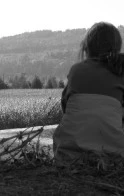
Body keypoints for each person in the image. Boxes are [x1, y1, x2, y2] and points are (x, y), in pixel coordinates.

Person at [53, 22, 124, 164]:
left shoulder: (76, 70)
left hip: (68, 153)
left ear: (87, 47)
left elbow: (65, 107)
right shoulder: (121, 71)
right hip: (115, 155)